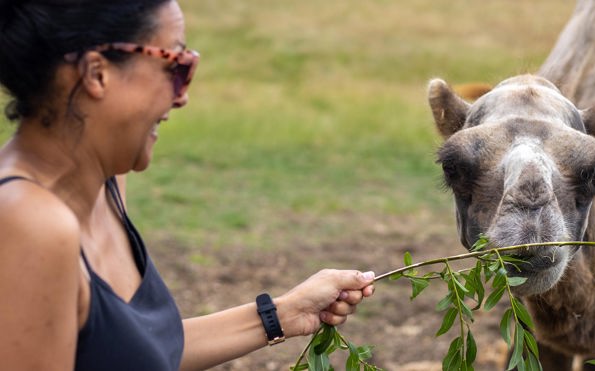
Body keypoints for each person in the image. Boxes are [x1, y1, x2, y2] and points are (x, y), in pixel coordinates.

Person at [0, 0, 375, 370]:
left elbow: (137, 353)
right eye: (176, 66)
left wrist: (282, 313)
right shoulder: (25, 225)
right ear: (97, 74)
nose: (182, 96)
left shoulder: (107, 184)